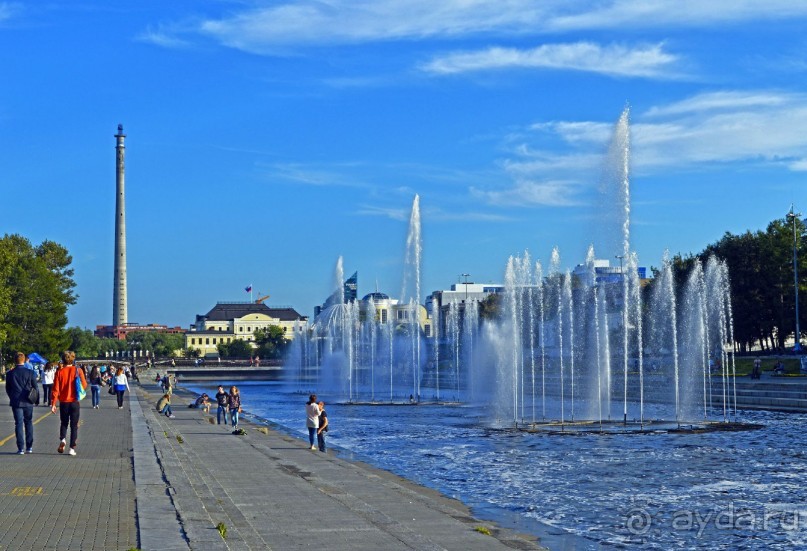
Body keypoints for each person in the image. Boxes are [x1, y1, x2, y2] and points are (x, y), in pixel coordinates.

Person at [51, 350, 87, 456]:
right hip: (74, 401)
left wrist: (53, 404)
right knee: (74, 425)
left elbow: (55, 389)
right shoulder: (78, 370)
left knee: (64, 423)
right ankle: (72, 448)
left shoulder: (59, 372)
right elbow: (84, 385)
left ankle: (63, 439)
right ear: (73, 358)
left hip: (63, 402)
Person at [5, 352, 38, 454]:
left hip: (16, 401)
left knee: (18, 424)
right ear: (24, 360)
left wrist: (12, 397)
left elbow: (8, 388)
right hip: (28, 401)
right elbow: (35, 387)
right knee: (28, 423)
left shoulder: (10, 373)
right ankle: (29, 446)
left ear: (15, 361)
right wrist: (36, 400)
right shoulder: (30, 372)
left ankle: (20, 448)